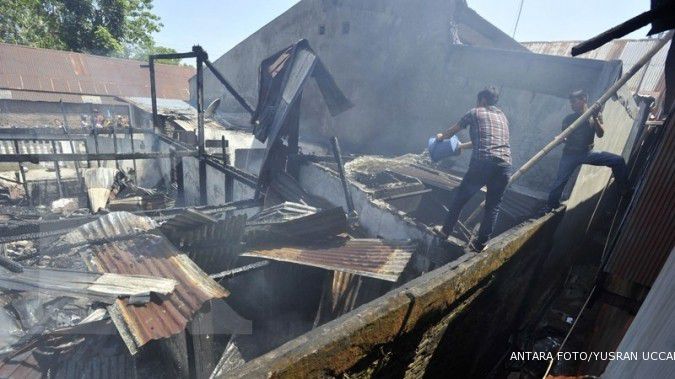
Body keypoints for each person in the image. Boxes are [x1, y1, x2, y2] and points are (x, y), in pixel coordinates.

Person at [436, 86, 512, 252]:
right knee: (493, 206)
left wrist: (440, 137)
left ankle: (444, 232)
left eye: (478, 101)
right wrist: (462, 146)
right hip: (504, 166)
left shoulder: (474, 112)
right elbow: (487, 140)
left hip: (483, 164)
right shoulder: (502, 116)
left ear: (482, 100)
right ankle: (481, 244)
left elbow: (451, 131)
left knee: (460, 198)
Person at [543, 90, 629, 211]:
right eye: (570, 102)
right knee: (560, 181)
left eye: (574, 102)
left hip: (586, 153)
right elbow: (565, 135)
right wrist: (561, 138)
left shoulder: (595, 115)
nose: (571, 105)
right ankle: (551, 206)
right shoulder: (569, 118)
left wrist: (595, 117)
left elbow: (600, 134)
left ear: (584, 99)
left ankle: (623, 190)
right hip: (570, 155)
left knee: (618, 160)